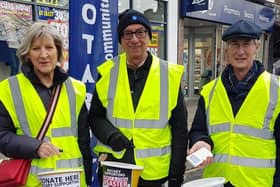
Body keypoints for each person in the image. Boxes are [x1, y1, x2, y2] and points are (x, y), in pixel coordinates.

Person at [88, 9, 188, 187]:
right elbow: (95, 116)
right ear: (120, 41)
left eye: (140, 32)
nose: (134, 39)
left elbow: (180, 131)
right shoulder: (107, 72)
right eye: (127, 34)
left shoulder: (169, 75)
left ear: (149, 37)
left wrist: (176, 176)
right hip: (116, 167)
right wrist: (111, 136)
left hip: (155, 174)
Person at [188, 19, 280, 187]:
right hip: (217, 181)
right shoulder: (210, 91)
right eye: (234, 45)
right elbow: (198, 130)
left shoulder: (276, 90)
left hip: (258, 183)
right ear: (226, 49)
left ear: (256, 47)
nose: (241, 51)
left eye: (246, 44)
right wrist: (200, 141)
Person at [0, 22, 92, 186]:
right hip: (32, 182)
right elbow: (2, 135)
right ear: (27, 54)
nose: (43, 54)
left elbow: (83, 143)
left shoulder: (76, 89)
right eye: (36, 48)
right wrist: (35, 147)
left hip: (73, 182)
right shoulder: (8, 89)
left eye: (49, 47)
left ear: (58, 51)